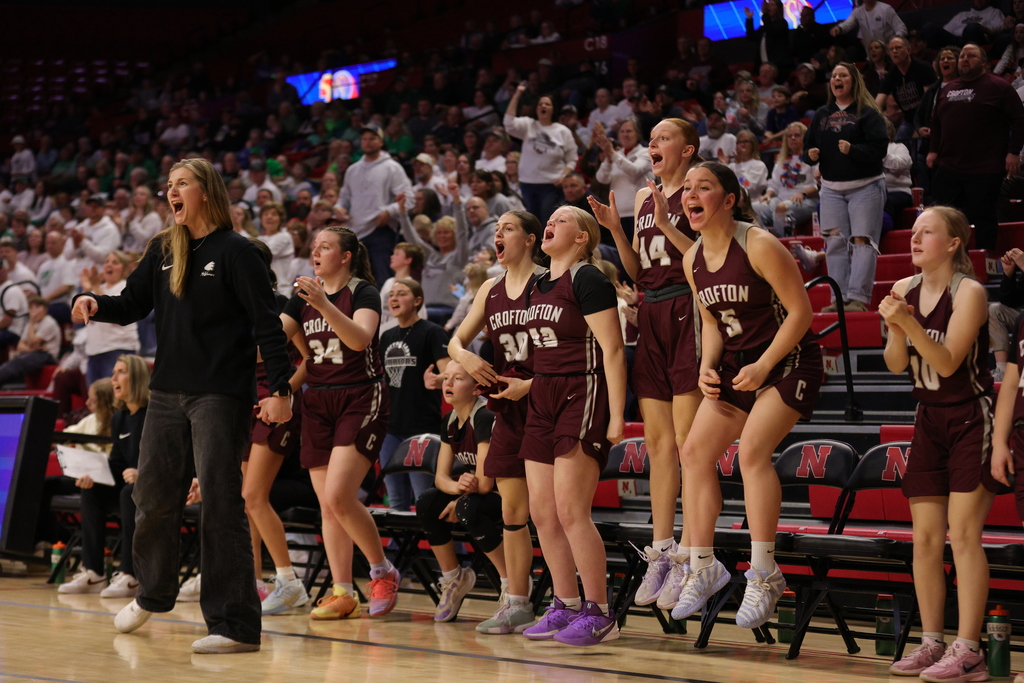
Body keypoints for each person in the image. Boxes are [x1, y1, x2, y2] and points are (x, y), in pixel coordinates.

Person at [71, 158, 295, 655]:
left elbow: (267, 325)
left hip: (220, 394)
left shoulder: (239, 253)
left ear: (206, 191)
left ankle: (234, 624)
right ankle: (152, 592)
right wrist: (94, 300)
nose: (170, 192)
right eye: (166, 185)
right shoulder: (162, 249)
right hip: (168, 394)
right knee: (150, 498)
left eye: (180, 185)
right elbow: (131, 302)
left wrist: (279, 391)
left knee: (220, 503)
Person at [673, 161, 821, 631]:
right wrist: (706, 368)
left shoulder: (758, 243)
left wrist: (763, 365)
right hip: (739, 365)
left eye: (704, 187)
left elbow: (801, 312)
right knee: (693, 453)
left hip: (789, 359)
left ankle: (765, 573)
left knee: (751, 453)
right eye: (687, 188)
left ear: (730, 199)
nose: (691, 195)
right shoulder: (691, 259)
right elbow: (713, 324)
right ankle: (703, 565)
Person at [589, 117, 703, 612]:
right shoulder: (643, 196)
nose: (653, 144)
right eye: (651, 139)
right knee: (657, 443)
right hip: (651, 312)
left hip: (689, 308)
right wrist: (618, 230)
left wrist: (660, 217)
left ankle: (692, 556)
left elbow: (704, 255)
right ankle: (661, 549)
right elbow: (636, 271)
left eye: (663, 138)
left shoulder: (698, 192)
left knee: (687, 444)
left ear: (689, 148)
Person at [880, 207, 999, 681]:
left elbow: (948, 363)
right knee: (925, 539)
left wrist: (907, 325)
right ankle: (932, 643)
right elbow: (894, 364)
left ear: (953, 244)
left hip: (971, 416)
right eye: (912, 231)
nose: (914, 237)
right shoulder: (904, 290)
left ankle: (968, 650)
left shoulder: (969, 292)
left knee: (964, 535)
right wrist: (894, 326)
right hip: (928, 418)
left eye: (926, 232)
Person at [278, 225, 399, 620]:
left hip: (361, 394)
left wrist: (324, 305)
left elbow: (360, 339)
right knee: (328, 506)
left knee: (339, 496)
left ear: (345, 256)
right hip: (318, 401)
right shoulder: (301, 299)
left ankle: (382, 570)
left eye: (325, 247)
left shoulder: (362, 291)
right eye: (314, 247)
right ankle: (342, 590)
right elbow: (275, 336)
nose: (316, 253)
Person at [518, 206, 626, 647]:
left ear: (582, 237)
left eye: (562, 219)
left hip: (582, 392)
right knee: (541, 512)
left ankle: (600, 613)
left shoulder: (589, 278)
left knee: (570, 511)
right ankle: (564, 604)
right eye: (551, 218)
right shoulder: (535, 285)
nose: (551, 222)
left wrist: (617, 415)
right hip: (541, 393)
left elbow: (614, 351)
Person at [448, 209, 546, 635]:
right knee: (512, 511)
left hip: (547, 401)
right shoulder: (490, 288)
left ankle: (569, 602)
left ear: (530, 239)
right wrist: (465, 355)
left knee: (549, 511)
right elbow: (455, 339)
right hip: (506, 405)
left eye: (507, 228)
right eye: (496, 229)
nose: (498, 235)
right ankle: (518, 602)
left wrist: (536, 382)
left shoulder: (549, 281)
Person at [242, 242, 311, 617]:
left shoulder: (280, 303)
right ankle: (252, 582)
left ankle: (289, 582)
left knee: (255, 496)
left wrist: (285, 393)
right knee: (245, 500)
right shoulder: (231, 305)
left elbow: (310, 359)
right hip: (243, 402)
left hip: (273, 405)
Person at [414, 361, 507, 622]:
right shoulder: (451, 420)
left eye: (457, 378)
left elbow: (487, 484)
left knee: (467, 507)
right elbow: (441, 477)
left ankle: (510, 580)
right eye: (446, 378)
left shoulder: (485, 416)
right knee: (427, 503)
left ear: (477, 388)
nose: (448, 383)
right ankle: (454, 577)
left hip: (509, 496)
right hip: (478, 492)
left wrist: (462, 497)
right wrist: (456, 488)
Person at [56, 355, 150, 601]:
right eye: (113, 372)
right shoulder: (119, 418)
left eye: (120, 372)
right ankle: (94, 571)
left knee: (129, 493)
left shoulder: (155, 415)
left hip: (154, 484)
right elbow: (117, 462)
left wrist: (143, 473)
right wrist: (94, 475)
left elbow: (171, 457)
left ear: (137, 378)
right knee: (93, 491)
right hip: (128, 482)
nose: (113, 378)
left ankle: (131, 574)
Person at [805, 63, 889, 313]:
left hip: (866, 187)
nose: (837, 79)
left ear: (854, 82)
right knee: (834, 244)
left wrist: (854, 150)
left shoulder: (868, 112)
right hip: (830, 190)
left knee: (862, 242)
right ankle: (838, 299)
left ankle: (859, 299)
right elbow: (807, 150)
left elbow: (879, 150)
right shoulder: (822, 113)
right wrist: (810, 155)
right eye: (834, 76)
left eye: (843, 75)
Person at [928, 44, 1024, 250]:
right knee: (943, 215)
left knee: (984, 216)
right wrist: (933, 150)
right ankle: (949, 258)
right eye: (962, 56)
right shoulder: (948, 89)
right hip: (950, 165)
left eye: (971, 56)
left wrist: (1013, 152)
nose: (964, 59)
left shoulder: (998, 87)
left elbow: (1019, 119)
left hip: (985, 167)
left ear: (984, 63)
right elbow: (935, 121)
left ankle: (985, 258)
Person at [378, 279, 450, 510]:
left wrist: (438, 380)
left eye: (401, 294)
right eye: (391, 295)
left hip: (422, 429)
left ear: (417, 301)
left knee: (425, 501)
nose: (394, 299)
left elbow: (450, 375)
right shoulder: (386, 337)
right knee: (396, 502)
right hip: (390, 428)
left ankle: (441, 547)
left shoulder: (433, 333)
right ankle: (402, 547)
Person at [337, 124, 413, 284]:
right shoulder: (353, 169)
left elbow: (409, 197)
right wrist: (339, 208)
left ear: (381, 141)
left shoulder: (392, 168)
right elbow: (344, 198)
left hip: (380, 231)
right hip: (355, 232)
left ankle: (382, 309)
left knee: (381, 278)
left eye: (372, 138)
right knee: (355, 281)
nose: (368, 142)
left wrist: (390, 211)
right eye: (364, 139)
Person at [503, 84, 578, 221]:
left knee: (548, 222)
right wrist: (517, 95)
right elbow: (508, 123)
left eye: (547, 104)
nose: (543, 106)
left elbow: (572, 159)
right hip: (527, 183)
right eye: (540, 104)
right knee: (531, 225)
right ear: (536, 108)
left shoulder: (562, 131)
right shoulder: (528, 125)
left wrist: (564, 176)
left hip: (550, 185)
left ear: (553, 109)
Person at [397, 194, 469, 325]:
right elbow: (412, 238)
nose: (442, 236)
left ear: (454, 234)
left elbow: (462, 232)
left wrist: (457, 203)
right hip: (425, 310)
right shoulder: (430, 255)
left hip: (448, 312)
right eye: (439, 232)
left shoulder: (459, 257)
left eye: (447, 232)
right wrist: (402, 211)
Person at [81, 252, 141, 385]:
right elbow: (76, 319)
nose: (109, 264)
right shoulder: (98, 288)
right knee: (97, 401)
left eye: (115, 262)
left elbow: (113, 313)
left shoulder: (126, 287)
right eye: (107, 261)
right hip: (94, 351)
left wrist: (95, 287)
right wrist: (86, 289)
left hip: (118, 349)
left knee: (114, 398)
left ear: (125, 269)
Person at [593, 118, 653, 243]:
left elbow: (635, 171)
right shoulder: (616, 154)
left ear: (637, 134)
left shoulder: (646, 152)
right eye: (622, 131)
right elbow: (602, 178)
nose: (625, 134)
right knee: (623, 255)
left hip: (641, 212)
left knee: (641, 252)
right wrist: (609, 160)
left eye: (629, 131)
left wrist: (612, 153)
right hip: (619, 214)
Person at [754, 122, 818, 234]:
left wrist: (803, 193)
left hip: (806, 200)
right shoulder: (782, 159)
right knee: (754, 207)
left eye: (797, 135)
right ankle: (763, 241)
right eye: (790, 136)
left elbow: (820, 184)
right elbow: (774, 184)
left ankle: (782, 244)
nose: (793, 138)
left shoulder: (813, 157)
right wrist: (768, 194)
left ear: (805, 137)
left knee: (781, 208)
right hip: (781, 198)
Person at [877, 37, 937, 142]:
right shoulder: (891, 76)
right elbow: (877, 103)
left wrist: (919, 128)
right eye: (891, 49)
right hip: (909, 121)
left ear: (908, 50)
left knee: (919, 150)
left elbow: (930, 102)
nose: (894, 51)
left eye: (898, 48)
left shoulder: (923, 68)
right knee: (897, 146)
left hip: (928, 119)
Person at [0, 297, 60, 387]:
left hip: (47, 356)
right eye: (31, 308)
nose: (32, 311)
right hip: (34, 353)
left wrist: (32, 323)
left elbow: (32, 342)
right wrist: (32, 349)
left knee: (18, 362)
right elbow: (20, 346)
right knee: (14, 361)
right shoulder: (30, 323)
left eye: (36, 308)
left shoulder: (49, 323)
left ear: (44, 309)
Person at [378, 242, 426, 335]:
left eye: (397, 254)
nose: (392, 257)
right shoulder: (388, 282)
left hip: (399, 331)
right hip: (382, 330)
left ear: (408, 260)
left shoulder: (412, 285)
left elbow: (421, 314)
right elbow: (379, 307)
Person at [830, 0, 907, 56]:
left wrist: (894, 44)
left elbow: (901, 28)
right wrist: (839, 28)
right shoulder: (858, 12)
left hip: (889, 53)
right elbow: (848, 23)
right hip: (872, 55)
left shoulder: (886, 9)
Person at [257, 203, 295, 296]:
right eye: (265, 214)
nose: (269, 217)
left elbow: (264, 254)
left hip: (281, 289)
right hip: (262, 288)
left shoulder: (284, 236)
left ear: (280, 219)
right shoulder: (259, 238)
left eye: (274, 214)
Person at [745, 0, 792, 74]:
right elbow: (751, 36)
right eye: (768, 5)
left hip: (778, 68)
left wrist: (765, 14)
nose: (768, 7)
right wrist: (749, 19)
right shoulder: (763, 28)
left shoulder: (782, 23)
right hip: (763, 67)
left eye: (772, 5)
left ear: (778, 9)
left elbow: (771, 31)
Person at [726, 130, 769, 199]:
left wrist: (739, 166)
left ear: (753, 145)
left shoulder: (759, 165)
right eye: (739, 142)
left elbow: (748, 186)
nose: (742, 144)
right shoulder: (732, 166)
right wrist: (723, 164)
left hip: (752, 202)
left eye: (745, 141)